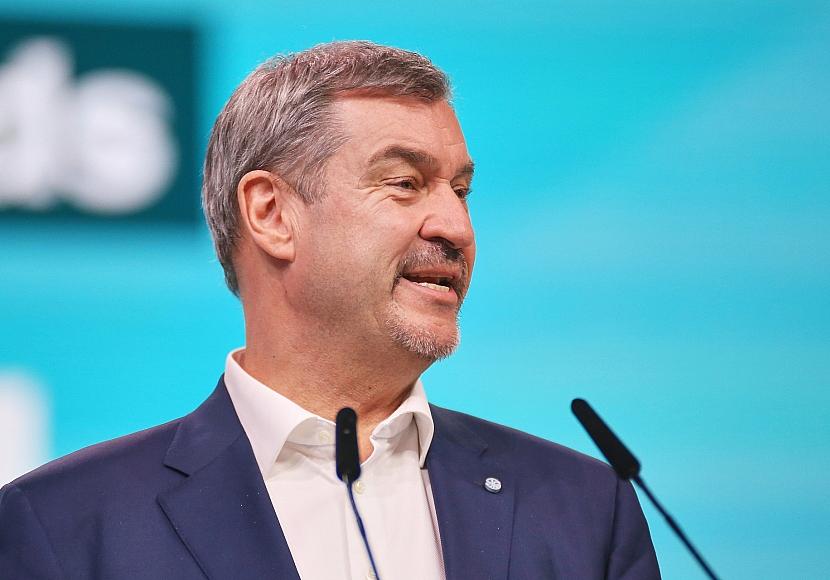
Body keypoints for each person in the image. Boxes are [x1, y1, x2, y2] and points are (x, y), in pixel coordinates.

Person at [0, 41, 660, 579]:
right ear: (271, 214)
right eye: (404, 183)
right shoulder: (63, 526)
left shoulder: (584, 508)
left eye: (460, 190)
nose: (456, 227)